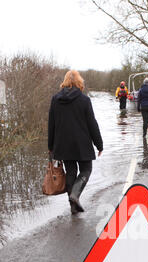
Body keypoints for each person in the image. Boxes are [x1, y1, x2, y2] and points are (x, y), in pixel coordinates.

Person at [48, 70, 103, 214]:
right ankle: (75, 195)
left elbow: (51, 124)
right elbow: (92, 123)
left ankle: (73, 206)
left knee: (71, 172)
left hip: (63, 144)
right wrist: (99, 144)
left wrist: (51, 146)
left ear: (65, 81)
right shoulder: (84, 100)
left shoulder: (55, 99)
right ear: (80, 82)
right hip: (82, 143)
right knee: (86, 170)